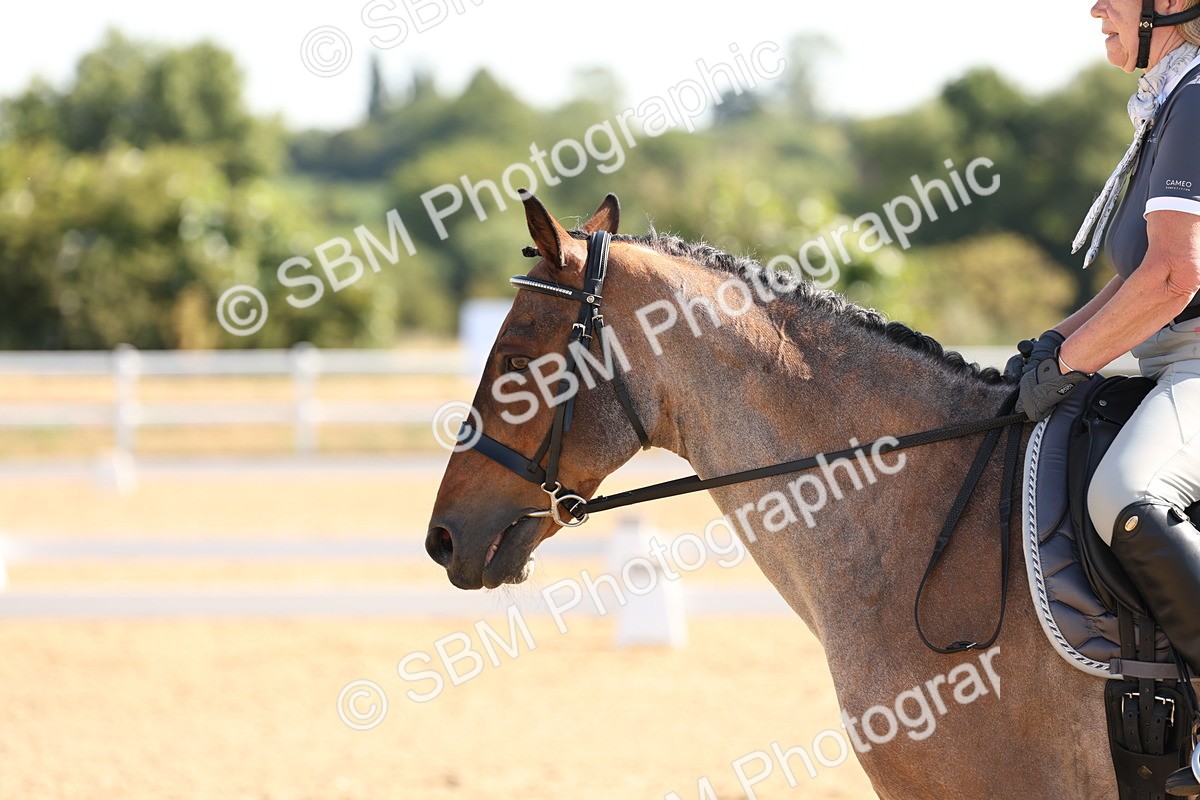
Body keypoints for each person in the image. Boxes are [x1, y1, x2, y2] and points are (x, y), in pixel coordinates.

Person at [1013, 0, 1200, 792]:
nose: (1095, 7)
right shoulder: (1169, 103)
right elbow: (1134, 281)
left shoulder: (1196, 100)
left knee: (1126, 492)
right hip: (1170, 361)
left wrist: (1074, 361)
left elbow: (1173, 277)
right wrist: (1055, 348)